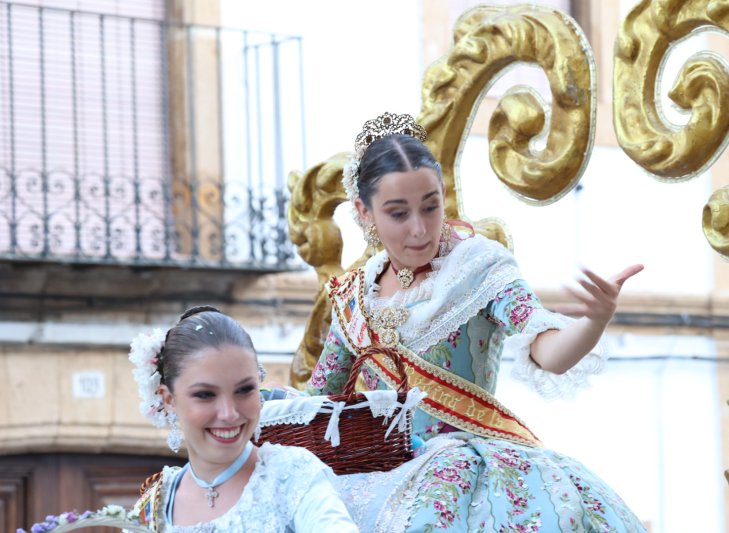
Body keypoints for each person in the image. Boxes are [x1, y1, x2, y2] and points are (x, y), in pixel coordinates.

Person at [305, 112, 647, 531]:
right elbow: (317, 404)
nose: (419, 229)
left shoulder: (479, 267)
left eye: (431, 207)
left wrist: (594, 320)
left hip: (469, 485)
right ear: (364, 212)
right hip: (374, 484)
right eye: (398, 213)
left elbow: (548, 352)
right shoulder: (353, 297)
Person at [127, 306, 358, 532]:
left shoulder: (293, 476)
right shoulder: (151, 512)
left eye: (244, 390)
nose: (229, 413)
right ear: (168, 399)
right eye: (205, 395)